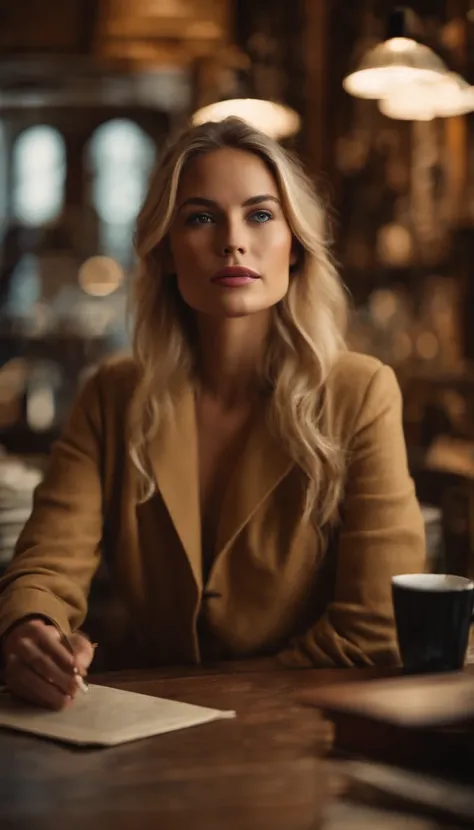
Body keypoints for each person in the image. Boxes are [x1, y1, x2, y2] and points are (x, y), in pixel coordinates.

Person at [0, 117, 425, 709]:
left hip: (304, 738)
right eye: (200, 217)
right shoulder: (114, 393)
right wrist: (32, 628)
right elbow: (49, 561)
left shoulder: (361, 392)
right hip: (145, 746)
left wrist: (207, 699)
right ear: (167, 250)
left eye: (260, 214)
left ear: (296, 245)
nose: (233, 240)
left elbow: (375, 628)